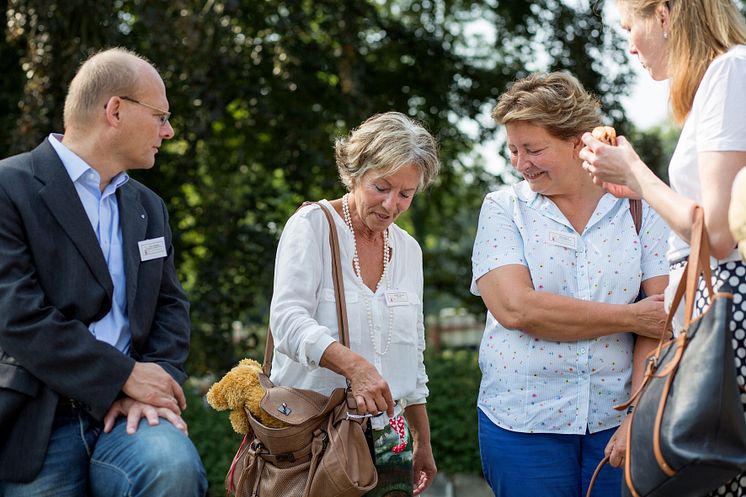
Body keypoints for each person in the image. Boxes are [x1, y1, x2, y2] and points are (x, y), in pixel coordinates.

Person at [0, 48, 207, 496]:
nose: (168, 132)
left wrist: (149, 380)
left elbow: (171, 306)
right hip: (38, 420)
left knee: (172, 467)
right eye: (161, 116)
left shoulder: (149, 208)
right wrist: (121, 375)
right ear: (115, 110)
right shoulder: (9, 187)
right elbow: (15, 313)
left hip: (132, 416)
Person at [470, 72, 670, 497]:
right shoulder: (503, 209)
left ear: (578, 143)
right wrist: (631, 317)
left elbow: (663, 320)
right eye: (513, 150)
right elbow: (517, 310)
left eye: (534, 149)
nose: (521, 163)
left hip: (617, 420)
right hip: (522, 424)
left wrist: (636, 414)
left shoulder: (640, 207)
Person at [580, 1, 746, 494]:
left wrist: (637, 173)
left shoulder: (729, 71)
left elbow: (716, 234)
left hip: (727, 304)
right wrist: (638, 189)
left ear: (666, 14)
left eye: (631, 26)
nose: (629, 44)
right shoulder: (722, 78)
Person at [269, 111, 439, 497]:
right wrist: (354, 367)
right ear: (354, 172)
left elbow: (413, 352)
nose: (391, 204)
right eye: (381, 186)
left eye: (405, 194)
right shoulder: (313, 225)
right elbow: (287, 321)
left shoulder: (409, 250)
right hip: (311, 437)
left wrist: (421, 439)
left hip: (390, 441)